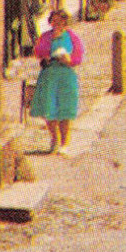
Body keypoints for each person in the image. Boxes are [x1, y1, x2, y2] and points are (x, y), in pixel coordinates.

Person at [31, 9, 84, 153]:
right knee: (49, 109)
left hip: (66, 75)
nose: (56, 24)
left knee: (65, 110)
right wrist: (46, 54)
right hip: (49, 74)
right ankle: (55, 138)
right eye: (54, 21)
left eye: (60, 21)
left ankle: (64, 144)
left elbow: (78, 56)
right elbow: (37, 51)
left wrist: (69, 59)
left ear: (65, 22)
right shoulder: (46, 36)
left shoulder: (72, 37)